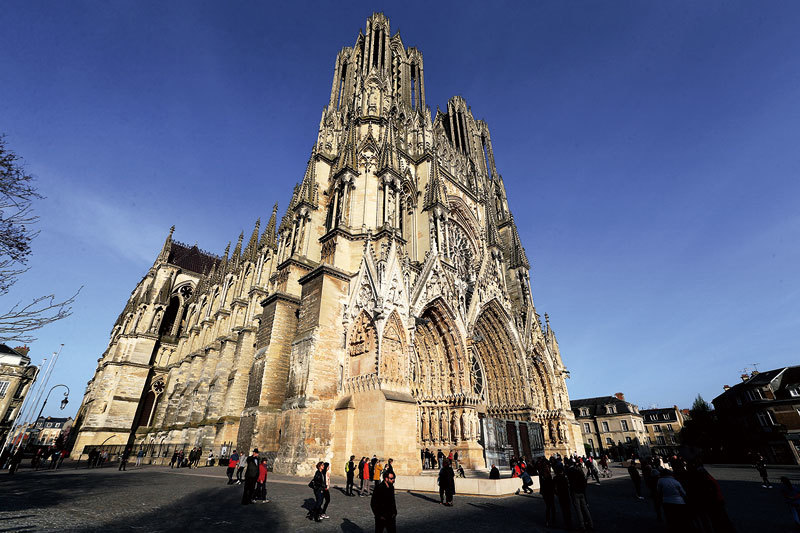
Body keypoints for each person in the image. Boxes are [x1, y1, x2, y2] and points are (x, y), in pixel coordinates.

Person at [657, 468, 689, 532]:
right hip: (679, 501)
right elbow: (683, 493)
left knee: (670, 518)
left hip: (667, 501)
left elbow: (659, 491)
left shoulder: (660, 480)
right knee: (680, 517)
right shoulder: (676, 481)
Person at [567, 461, 593, 531]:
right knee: (585, 508)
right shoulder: (579, 472)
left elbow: (569, 482)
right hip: (582, 492)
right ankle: (590, 524)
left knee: (578, 510)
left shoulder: (570, 472)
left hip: (575, 492)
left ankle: (582, 525)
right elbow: (584, 482)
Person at [371, 468, 397, 533]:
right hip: (381, 517)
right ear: (386, 479)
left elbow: (393, 501)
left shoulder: (391, 487)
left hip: (391, 516)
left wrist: (394, 512)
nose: (393, 480)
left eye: (394, 478)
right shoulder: (379, 488)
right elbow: (373, 503)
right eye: (391, 478)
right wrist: (379, 515)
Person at [553, 463, 573, 530]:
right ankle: (570, 523)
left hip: (561, 495)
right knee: (568, 510)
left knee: (564, 510)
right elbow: (568, 485)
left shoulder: (555, 478)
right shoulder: (565, 477)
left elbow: (554, 489)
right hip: (566, 494)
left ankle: (567, 524)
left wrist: (557, 493)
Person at [538, 458, 557, 527]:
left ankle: (548, 521)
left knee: (548, 506)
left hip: (544, 491)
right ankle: (553, 521)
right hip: (549, 491)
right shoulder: (546, 473)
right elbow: (550, 482)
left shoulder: (541, 473)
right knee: (552, 506)